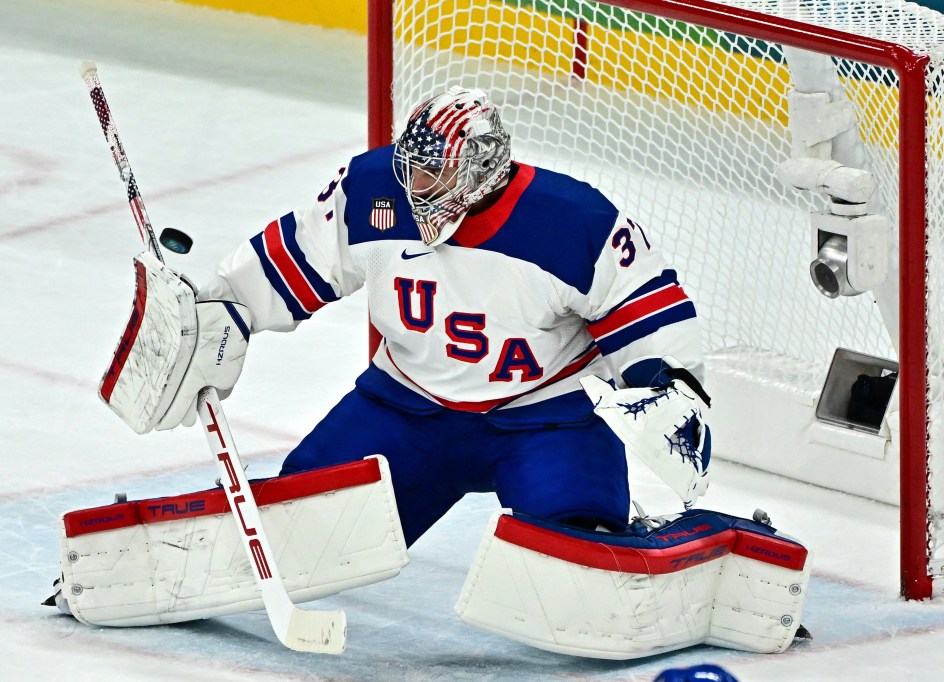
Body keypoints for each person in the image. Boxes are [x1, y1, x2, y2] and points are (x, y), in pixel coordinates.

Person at [55, 87, 783, 659]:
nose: (421, 187)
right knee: (295, 526)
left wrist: (663, 386)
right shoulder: (373, 188)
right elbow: (290, 265)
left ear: (486, 167)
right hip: (402, 412)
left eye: (440, 172)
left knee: (576, 561)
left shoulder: (574, 221)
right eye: (415, 168)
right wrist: (222, 315)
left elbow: (649, 319)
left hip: (546, 421)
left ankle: (673, 549)